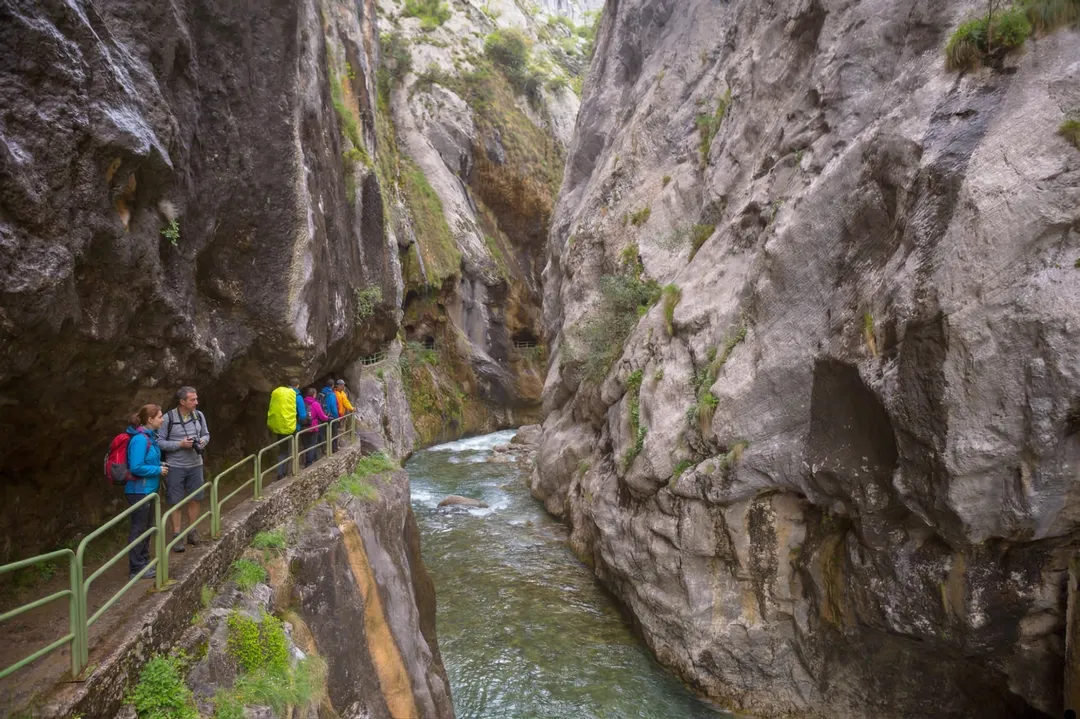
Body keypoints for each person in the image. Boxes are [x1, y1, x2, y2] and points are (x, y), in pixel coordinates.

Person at [157, 386, 209, 552]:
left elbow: (206, 434)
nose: (196, 402)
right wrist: (179, 444)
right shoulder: (168, 418)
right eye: (192, 400)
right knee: (175, 501)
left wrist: (202, 441)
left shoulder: (199, 415)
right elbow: (159, 442)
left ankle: (192, 531)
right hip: (175, 466)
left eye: (196, 398)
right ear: (182, 402)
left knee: (196, 498)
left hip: (196, 464)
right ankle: (177, 535)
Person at [125, 404, 169, 579]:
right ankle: (136, 568)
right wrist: (157, 470)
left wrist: (159, 464)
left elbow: (147, 461)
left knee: (147, 527)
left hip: (148, 489)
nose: (162, 420)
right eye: (160, 417)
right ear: (150, 419)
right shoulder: (140, 439)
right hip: (139, 490)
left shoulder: (150, 437)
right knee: (139, 528)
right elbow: (136, 467)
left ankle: (144, 562)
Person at [266, 378, 307, 481]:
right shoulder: (297, 396)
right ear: (297, 385)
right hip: (292, 427)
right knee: (293, 449)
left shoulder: (279, 393)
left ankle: (280, 474)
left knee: (282, 450)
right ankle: (292, 471)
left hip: (278, 426)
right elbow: (302, 415)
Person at [302, 387, 330, 466]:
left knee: (306, 445)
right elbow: (322, 416)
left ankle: (309, 460)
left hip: (303, 426)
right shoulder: (315, 404)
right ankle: (309, 462)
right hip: (312, 427)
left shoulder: (302, 402)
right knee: (312, 444)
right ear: (314, 394)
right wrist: (328, 418)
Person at [317, 379, 340, 449]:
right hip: (330, 416)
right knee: (334, 433)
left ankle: (323, 448)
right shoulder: (331, 394)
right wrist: (337, 417)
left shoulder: (320, 393)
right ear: (333, 385)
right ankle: (334, 448)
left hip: (321, 416)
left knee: (323, 433)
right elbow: (333, 407)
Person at [334, 379, 355, 446]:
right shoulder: (334, 393)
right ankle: (337, 444)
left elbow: (346, 402)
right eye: (342, 385)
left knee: (341, 429)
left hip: (341, 414)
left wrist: (351, 408)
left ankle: (339, 442)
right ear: (338, 385)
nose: (343, 387)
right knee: (336, 430)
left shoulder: (342, 393)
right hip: (335, 415)